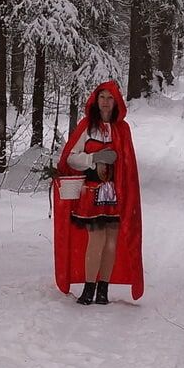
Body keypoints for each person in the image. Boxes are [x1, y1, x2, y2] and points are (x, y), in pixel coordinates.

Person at [53, 80, 144, 305]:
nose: (105, 102)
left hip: (115, 192)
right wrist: (93, 159)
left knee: (111, 240)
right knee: (96, 239)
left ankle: (103, 290)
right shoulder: (87, 126)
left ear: (116, 102)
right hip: (91, 192)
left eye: (109, 98)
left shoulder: (122, 130)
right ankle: (89, 288)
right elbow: (71, 157)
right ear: (96, 100)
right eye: (102, 97)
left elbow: (128, 166)